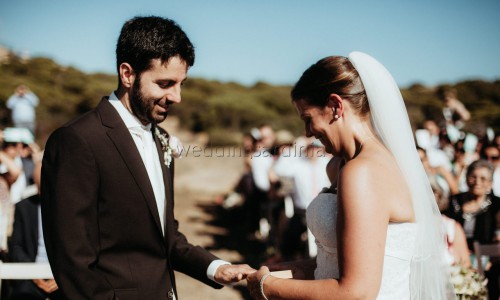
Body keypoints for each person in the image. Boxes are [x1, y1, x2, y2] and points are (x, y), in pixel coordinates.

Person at [41, 16, 254, 299]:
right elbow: (72, 259)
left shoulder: (162, 140)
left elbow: (165, 236)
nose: (176, 96)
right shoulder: (77, 140)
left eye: (181, 84)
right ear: (127, 74)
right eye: (165, 83)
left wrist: (216, 268)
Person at [247, 52, 452, 299]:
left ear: (335, 106)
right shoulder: (346, 165)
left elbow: (356, 291)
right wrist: (268, 272)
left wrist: (267, 287)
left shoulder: (363, 172)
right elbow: (333, 262)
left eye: (308, 119)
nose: (308, 132)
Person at [9, 152, 62, 300]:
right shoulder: (24, 207)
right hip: (31, 275)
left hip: (62, 276)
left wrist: (60, 277)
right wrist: (34, 274)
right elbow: (16, 247)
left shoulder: (70, 209)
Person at [446, 159, 500, 299]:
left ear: (490, 183)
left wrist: (490, 259)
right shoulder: (454, 201)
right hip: (455, 258)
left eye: (483, 178)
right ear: (466, 178)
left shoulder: (497, 205)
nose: (477, 182)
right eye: (473, 177)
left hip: (486, 261)